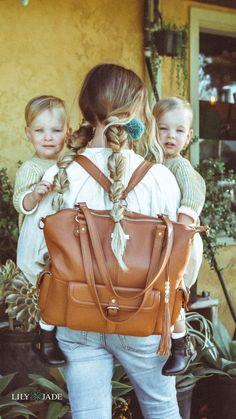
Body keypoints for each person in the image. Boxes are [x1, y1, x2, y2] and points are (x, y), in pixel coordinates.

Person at [17, 64, 202, 419]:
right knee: (162, 409)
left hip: (75, 317)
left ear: (87, 112)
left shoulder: (59, 173)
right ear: (135, 113)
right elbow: (186, 262)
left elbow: (30, 258)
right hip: (145, 316)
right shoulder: (160, 178)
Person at [13, 95, 70, 367]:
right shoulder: (31, 168)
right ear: (28, 134)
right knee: (44, 285)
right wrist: (34, 196)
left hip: (60, 240)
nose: (48, 137)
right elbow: (20, 203)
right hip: (37, 240)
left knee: (62, 283)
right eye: (39, 131)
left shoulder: (68, 165)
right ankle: (45, 337)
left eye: (56, 131)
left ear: (67, 133)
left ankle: (58, 332)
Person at [153, 96, 206, 376]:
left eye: (178, 130)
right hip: (161, 240)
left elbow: (194, 195)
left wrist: (182, 228)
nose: (170, 136)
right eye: (163, 129)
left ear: (189, 136)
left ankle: (180, 343)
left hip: (180, 241)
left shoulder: (180, 166)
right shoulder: (153, 161)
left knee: (173, 291)